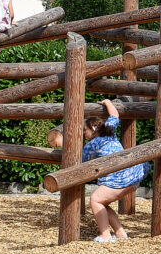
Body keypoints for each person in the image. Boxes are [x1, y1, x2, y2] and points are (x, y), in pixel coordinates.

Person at [49, 99, 150, 243]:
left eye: (85, 130)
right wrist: (107, 102)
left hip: (120, 179)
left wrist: (63, 145)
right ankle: (120, 234)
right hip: (134, 174)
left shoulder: (93, 144)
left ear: (93, 129)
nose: (84, 133)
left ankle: (105, 235)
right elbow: (115, 114)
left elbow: (78, 161)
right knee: (103, 203)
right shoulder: (110, 131)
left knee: (95, 200)